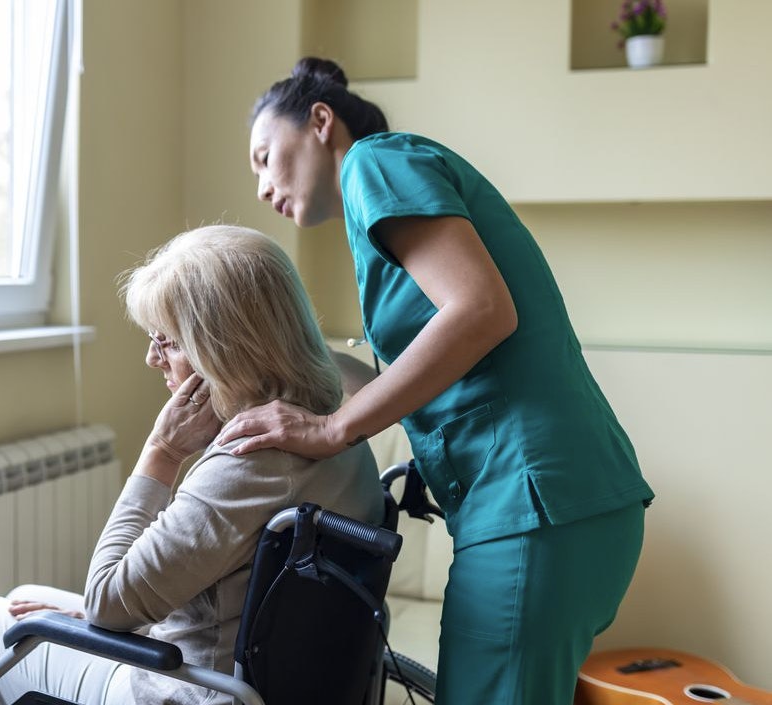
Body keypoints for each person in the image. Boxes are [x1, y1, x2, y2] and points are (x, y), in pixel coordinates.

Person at [218, 57, 656, 704]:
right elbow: (445, 362)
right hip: (550, 502)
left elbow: (482, 309)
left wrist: (333, 427)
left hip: (533, 502)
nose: (260, 186)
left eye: (263, 156)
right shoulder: (384, 200)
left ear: (320, 121)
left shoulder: (374, 163)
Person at [0, 225, 384, 705]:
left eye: (167, 341)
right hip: (257, 672)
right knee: (24, 598)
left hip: (189, 689)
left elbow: (105, 602)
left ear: (224, 347)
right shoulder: (338, 418)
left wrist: (160, 453)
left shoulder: (246, 465)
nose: (151, 358)